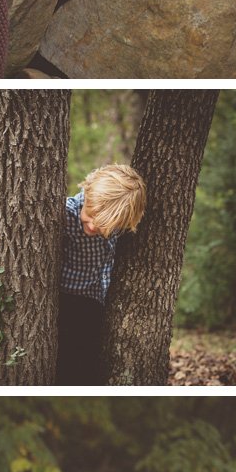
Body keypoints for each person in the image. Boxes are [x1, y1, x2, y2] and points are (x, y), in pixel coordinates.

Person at [58, 163, 147, 386]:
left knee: (90, 363)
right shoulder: (66, 214)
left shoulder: (117, 219)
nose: (93, 225)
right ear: (87, 193)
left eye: (104, 224)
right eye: (90, 215)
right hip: (68, 302)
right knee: (69, 366)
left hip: (96, 304)